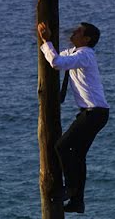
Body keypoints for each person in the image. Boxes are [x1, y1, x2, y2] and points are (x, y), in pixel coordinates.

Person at [37, 21, 110, 214]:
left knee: (62, 146)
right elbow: (61, 57)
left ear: (87, 39)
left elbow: (56, 63)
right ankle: (78, 201)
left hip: (94, 113)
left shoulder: (85, 55)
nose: (74, 32)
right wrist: (50, 40)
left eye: (78, 31)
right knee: (78, 155)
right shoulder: (77, 53)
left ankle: (69, 188)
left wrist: (45, 41)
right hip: (96, 113)